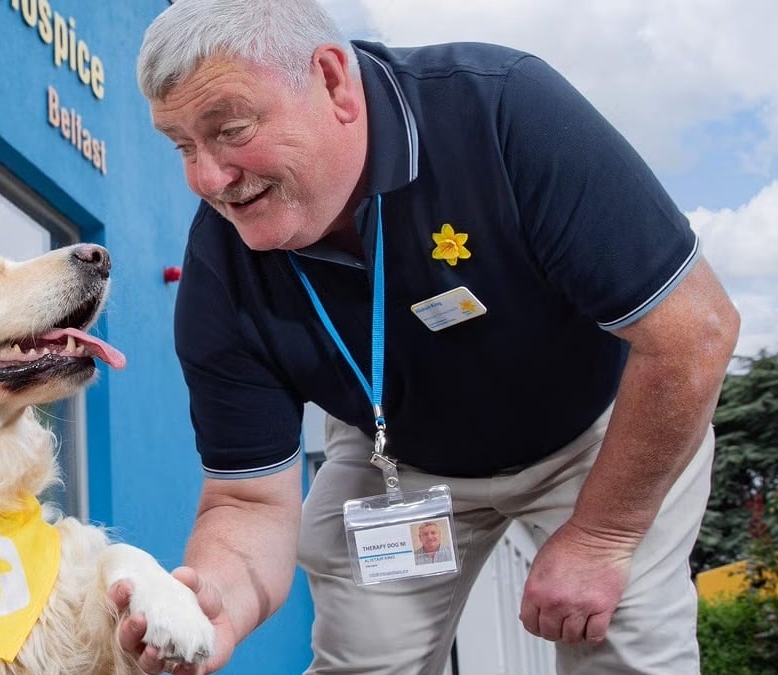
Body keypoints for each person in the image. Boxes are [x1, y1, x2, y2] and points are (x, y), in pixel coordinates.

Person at [116, 0, 741, 673]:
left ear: (331, 81)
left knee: (625, 652)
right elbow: (248, 500)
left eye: (230, 129)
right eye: (182, 146)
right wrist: (220, 602)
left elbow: (693, 335)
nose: (208, 179)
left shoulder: (504, 109)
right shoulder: (220, 268)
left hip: (596, 433)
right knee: (364, 663)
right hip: (398, 458)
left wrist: (600, 537)